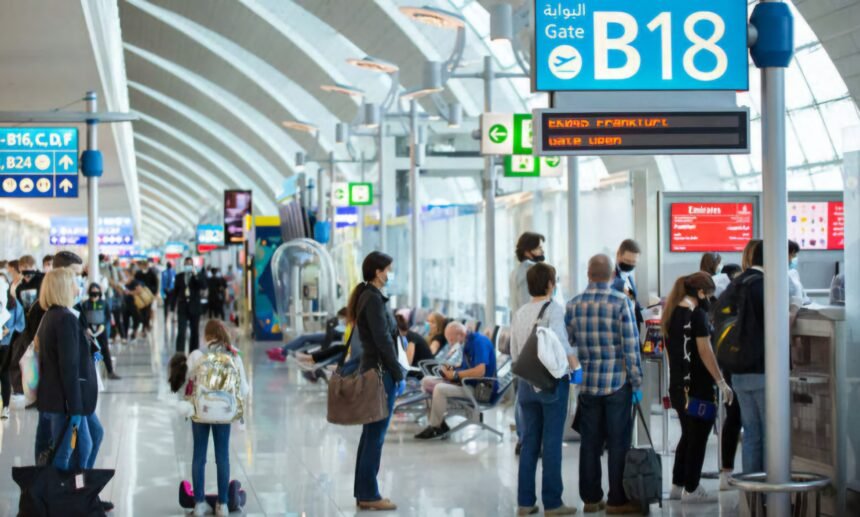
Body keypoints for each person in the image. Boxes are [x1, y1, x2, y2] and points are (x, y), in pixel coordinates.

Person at [566, 254, 642, 514]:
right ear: (611, 275)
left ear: (588, 274)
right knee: (618, 443)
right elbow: (631, 347)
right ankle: (617, 501)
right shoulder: (621, 302)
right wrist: (637, 382)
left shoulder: (573, 304)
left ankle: (591, 499)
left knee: (590, 442)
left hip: (587, 384)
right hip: (617, 383)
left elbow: (569, 344)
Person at [510, 262, 578, 516]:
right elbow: (561, 343)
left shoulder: (519, 312)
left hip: (526, 384)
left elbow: (514, 351)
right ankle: (553, 503)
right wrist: (575, 367)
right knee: (551, 443)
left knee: (529, 442)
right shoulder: (554, 309)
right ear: (550, 284)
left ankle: (525, 503)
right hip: (551, 383)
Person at [662, 272, 734, 503]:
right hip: (698, 387)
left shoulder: (672, 312)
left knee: (688, 434)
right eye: (709, 295)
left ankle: (678, 484)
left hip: (678, 386)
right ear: (700, 293)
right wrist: (720, 381)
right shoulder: (698, 315)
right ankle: (692, 488)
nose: (710, 300)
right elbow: (705, 350)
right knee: (699, 436)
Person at [169, 319, 249, 517]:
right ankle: (223, 505)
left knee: (199, 455)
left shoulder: (197, 355)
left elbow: (185, 381)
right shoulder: (234, 355)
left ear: (206, 336)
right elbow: (244, 389)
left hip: (200, 411)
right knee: (222, 457)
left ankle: (199, 504)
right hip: (224, 412)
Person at [34, 268, 104, 475]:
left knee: (84, 442)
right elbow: (69, 367)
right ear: (63, 287)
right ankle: (72, 489)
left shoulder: (51, 316)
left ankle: (79, 488)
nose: (77, 288)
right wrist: (75, 408)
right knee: (74, 451)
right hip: (66, 402)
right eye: (73, 283)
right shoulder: (65, 319)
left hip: (57, 398)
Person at [352, 251, 405, 511]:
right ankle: (369, 494)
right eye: (388, 269)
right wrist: (398, 372)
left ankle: (364, 492)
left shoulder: (370, 296)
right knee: (375, 436)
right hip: (380, 374)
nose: (390, 274)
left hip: (375, 371)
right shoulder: (372, 299)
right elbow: (383, 340)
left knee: (370, 434)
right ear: (378, 272)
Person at [414, 321, 497, 440]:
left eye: (451, 340)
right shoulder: (467, 343)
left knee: (440, 389)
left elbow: (480, 371)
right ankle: (440, 424)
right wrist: (450, 369)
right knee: (426, 381)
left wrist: (455, 375)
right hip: (466, 383)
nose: (451, 344)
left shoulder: (479, 342)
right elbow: (466, 367)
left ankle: (435, 426)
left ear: (460, 334)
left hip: (481, 389)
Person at [730, 240, 766, 475]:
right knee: (771, 434)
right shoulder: (765, 285)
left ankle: (752, 492)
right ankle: (772, 492)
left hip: (738, 371)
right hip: (762, 369)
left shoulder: (736, 283)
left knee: (751, 433)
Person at [80, 283, 120, 380]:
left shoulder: (104, 303)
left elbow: (108, 316)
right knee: (89, 350)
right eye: (92, 292)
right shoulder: (85, 304)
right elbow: (82, 318)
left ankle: (110, 371)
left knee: (105, 349)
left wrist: (103, 325)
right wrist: (86, 328)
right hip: (89, 331)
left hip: (101, 330)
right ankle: (88, 372)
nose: (94, 294)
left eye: (96, 292)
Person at [1, 269, 25, 418]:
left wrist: (9, 330)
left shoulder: (13, 303)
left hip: (6, 343)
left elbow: (20, 323)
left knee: (4, 373)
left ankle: (5, 406)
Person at [510, 232, 546, 315]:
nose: (542, 251)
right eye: (539, 248)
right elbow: (526, 303)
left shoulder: (516, 271)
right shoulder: (529, 271)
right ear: (527, 251)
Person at [175, 257, 206, 353]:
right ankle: (180, 353)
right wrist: (172, 308)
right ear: (184, 265)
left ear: (192, 266)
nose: (188, 266)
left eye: (190, 264)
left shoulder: (198, 275)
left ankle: (193, 352)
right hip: (183, 307)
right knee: (181, 331)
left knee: (194, 332)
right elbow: (175, 292)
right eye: (186, 264)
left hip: (194, 307)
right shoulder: (179, 277)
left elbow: (203, 286)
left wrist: (195, 275)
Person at [612, 239, 644, 330]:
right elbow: (610, 283)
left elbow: (632, 297)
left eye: (633, 262)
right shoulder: (610, 272)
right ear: (618, 255)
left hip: (633, 327)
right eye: (627, 261)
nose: (630, 265)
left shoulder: (629, 275)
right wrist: (623, 287)